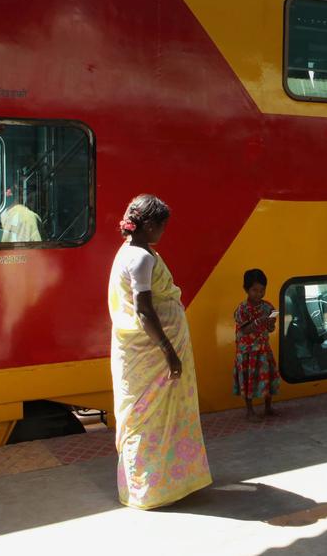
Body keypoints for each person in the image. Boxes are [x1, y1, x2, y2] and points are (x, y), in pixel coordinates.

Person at [107, 194, 211, 509]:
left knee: (146, 417)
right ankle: (152, 490)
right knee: (153, 418)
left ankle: (158, 484)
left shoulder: (128, 252)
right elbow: (144, 311)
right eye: (162, 227)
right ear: (149, 225)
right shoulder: (141, 258)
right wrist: (169, 352)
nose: (163, 234)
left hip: (138, 353)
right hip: (153, 355)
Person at [233, 268, 280, 419]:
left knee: (268, 378)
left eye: (262, 290)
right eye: (255, 290)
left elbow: (271, 327)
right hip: (247, 352)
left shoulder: (268, 307)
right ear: (246, 289)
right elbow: (245, 330)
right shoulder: (242, 309)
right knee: (248, 380)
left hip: (263, 349)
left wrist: (271, 322)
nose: (259, 294)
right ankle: (250, 411)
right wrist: (259, 322)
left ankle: (268, 407)